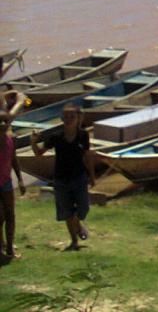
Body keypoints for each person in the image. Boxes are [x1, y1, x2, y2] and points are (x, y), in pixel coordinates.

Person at [30, 103, 96, 251]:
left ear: (78, 118)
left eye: (71, 116)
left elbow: (87, 156)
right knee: (67, 211)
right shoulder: (56, 136)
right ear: (61, 118)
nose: (68, 119)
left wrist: (92, 176)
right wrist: (33, 142)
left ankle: (78, 223)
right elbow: (39, 153)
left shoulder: (82, 135)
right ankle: (74, 241)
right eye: (65, 116)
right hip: (61, 178)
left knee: (83, 209)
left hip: (79, 177)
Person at [0, 110, 27, 260]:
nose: (3, 124)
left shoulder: (10, 140)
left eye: (6, 121)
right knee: (0, 216)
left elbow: (14, 160)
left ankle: (9, 247)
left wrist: (21, 180)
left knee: (10, 215)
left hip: (6, 183)